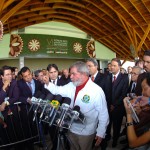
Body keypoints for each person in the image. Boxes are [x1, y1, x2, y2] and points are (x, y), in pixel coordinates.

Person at [43, 61, 109, 150]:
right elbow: (57, 90)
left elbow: (103, 114)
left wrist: (101, 133)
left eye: (73, 74)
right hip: (71, 128)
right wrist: (47, 83)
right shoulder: (71, 85)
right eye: (70, 74)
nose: (70, 76)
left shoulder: (96, 91)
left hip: (86, 132)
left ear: (83, 74)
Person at [102, 58, 129, 147]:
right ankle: (107, 137)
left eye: (114, 66)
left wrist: (114, 105)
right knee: (107, 124)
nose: (112, 68)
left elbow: (123, 93)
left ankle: (115, 140)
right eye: (111, 65)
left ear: (119, 66)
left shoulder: (124, 78)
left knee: (117, 126)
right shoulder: (107, 77)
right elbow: (105, 92)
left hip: (118, 107)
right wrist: (108, 104)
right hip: (107, 106)